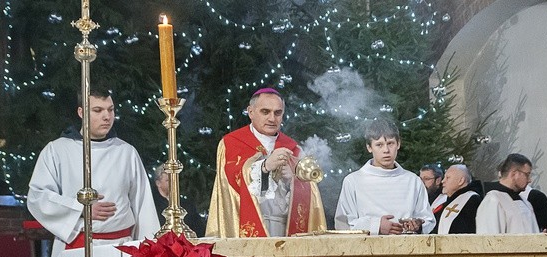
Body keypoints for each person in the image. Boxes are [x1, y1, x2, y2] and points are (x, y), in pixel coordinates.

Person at [27, 87, 160, 257]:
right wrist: (80, 209)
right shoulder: (57, 150)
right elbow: (37, 197)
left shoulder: (126, 152)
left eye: (111, 109)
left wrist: (150, 252)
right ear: (81, 112)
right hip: (77, 248)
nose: (107, 116)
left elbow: (143, 205)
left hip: (122, 250)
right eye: (98, 110)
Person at [206, 88, 326, 237]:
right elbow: (231, 182)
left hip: (285, 230)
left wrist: (293, 180)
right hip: (245, 229)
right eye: (265, 112)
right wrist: (265, 167)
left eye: (277, 113)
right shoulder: (232, 143)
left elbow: (311, 199)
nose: (272, 118)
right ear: (251, 112)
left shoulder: (294, 149)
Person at [335, 119, 435, 235]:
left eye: (390, 143)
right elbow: (344, 224)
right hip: (368, 249)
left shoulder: (413, 181)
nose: (386, 150)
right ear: (369, 147)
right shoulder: (352, 181)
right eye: (379, 145)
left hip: (407, 249)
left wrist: (418, 225)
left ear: (398, 144)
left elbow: (428, 219)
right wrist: (376, 226)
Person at [476, 153, 540, 234]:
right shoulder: (493, 200)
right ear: (514, 174)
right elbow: (489, 239)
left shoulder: (526, 203)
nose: (529, 180)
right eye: (527, 175)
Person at [152, 164, 206, 237]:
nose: (172, 183)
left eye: (173, 180)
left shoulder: (187, 204)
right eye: (168, 180)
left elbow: (199, 228)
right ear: (158, 183)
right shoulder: (153, 205)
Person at [433, 164, 481, 234]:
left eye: (448, 178)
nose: (443, 181)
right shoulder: (445, 199)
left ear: (461, 181)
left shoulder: (472, 200)